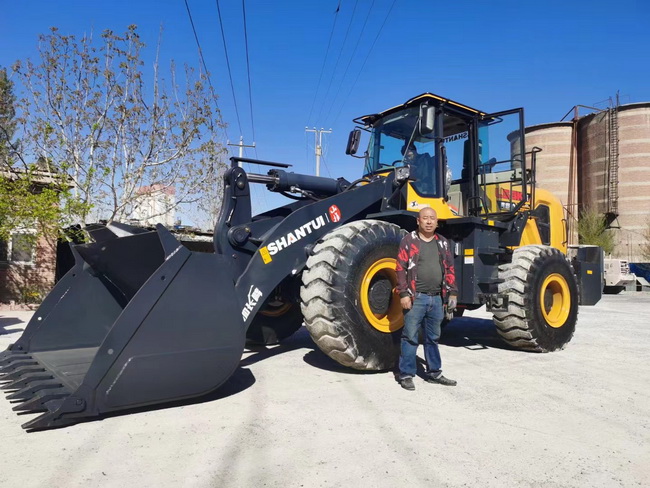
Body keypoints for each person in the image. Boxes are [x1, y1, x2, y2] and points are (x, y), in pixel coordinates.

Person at [395, 207, 458, 390]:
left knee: (433, 337)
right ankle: (406, 374)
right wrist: (404, 293)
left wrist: (452, 293)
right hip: (416, 298)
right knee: (410, 337)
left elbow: (450, 269)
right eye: (425, 218)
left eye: (432, 218)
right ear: (418, 221)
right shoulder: (409, 241)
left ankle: (434, 373)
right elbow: (400, 268)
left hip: (437, 299)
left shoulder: (443, 243)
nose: (429, 222)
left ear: (437, 222)